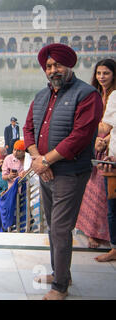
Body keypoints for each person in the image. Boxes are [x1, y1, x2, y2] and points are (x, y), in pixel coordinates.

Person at [23, 43, 103, 300]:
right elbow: (28, 130)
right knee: (52, 227)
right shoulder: (41, 96)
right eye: (48, 66)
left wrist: (45, 161)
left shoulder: (87, 95)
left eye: (58, 64)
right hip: (44, 170)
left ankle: (60, 287)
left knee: (60, 228)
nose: (53, 70)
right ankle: (61, 274)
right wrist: (38, 160)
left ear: (69, 65)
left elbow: (79, 137)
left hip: (69, 173)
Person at [76, 59, 116, 248]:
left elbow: (108, 126)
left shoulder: (114, 96)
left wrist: (105, 140)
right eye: (99, 73)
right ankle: (91, 231)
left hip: (109, 151)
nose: (102, 77)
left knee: (103, 191)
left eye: (106, 73)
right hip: (95, 146)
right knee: (91, 189)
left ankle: (102, 234)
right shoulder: (96, 94)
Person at [95, 82, 116, 262]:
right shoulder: (114, 97)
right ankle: (114, 248)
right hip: (113, 160)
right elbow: (108, 128)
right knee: (113, 207)